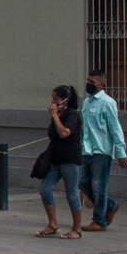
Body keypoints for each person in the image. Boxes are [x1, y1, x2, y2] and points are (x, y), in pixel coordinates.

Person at [78, 69, 127, 232]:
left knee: (99, 186)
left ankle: (99, 221)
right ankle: (110, 205)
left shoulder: (107, 102)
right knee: (82, 182)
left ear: (102, 84)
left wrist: (120, 152)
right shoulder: (86, 102)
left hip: (102, 151)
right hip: (86, 150)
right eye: (88, 81)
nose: (89, 85)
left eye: (92, 82)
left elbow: (115, 128)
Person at [35, 85, 84, 239]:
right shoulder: (59, 115)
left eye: (56, 99)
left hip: (69, 159)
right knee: (45, 189)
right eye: (52, 99)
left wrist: (55, 116)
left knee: (71, 192)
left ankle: (77, 228)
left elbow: (64, 133)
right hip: (55, 159)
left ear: (65, 101)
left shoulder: (72, 115)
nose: (53, 102)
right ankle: (52, 224)